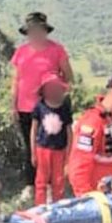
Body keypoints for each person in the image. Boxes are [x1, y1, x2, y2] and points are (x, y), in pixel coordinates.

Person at [11, 12, 74, 200]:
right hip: (25, 106)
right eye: (32, 31)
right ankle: (32, 184)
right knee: (31, 147)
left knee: (53, 146)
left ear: (45, 31)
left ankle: (54, 184)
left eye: (39, 30)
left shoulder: (57, 50)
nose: (35, 34)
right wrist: (13, 105)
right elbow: (16, 79)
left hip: (51, 107)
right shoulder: (21, 52)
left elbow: (68, 75)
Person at [30, 73, 73, 206]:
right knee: (41, 180)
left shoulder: (64, 108)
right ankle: (39, 207)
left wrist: (69, 155)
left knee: (58, 181)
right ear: (43, 90)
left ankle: (57, 208)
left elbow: (70, 132)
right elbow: (34, 130)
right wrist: (33, 152)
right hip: (42, 148)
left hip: (60, 150)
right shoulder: (39, 106)